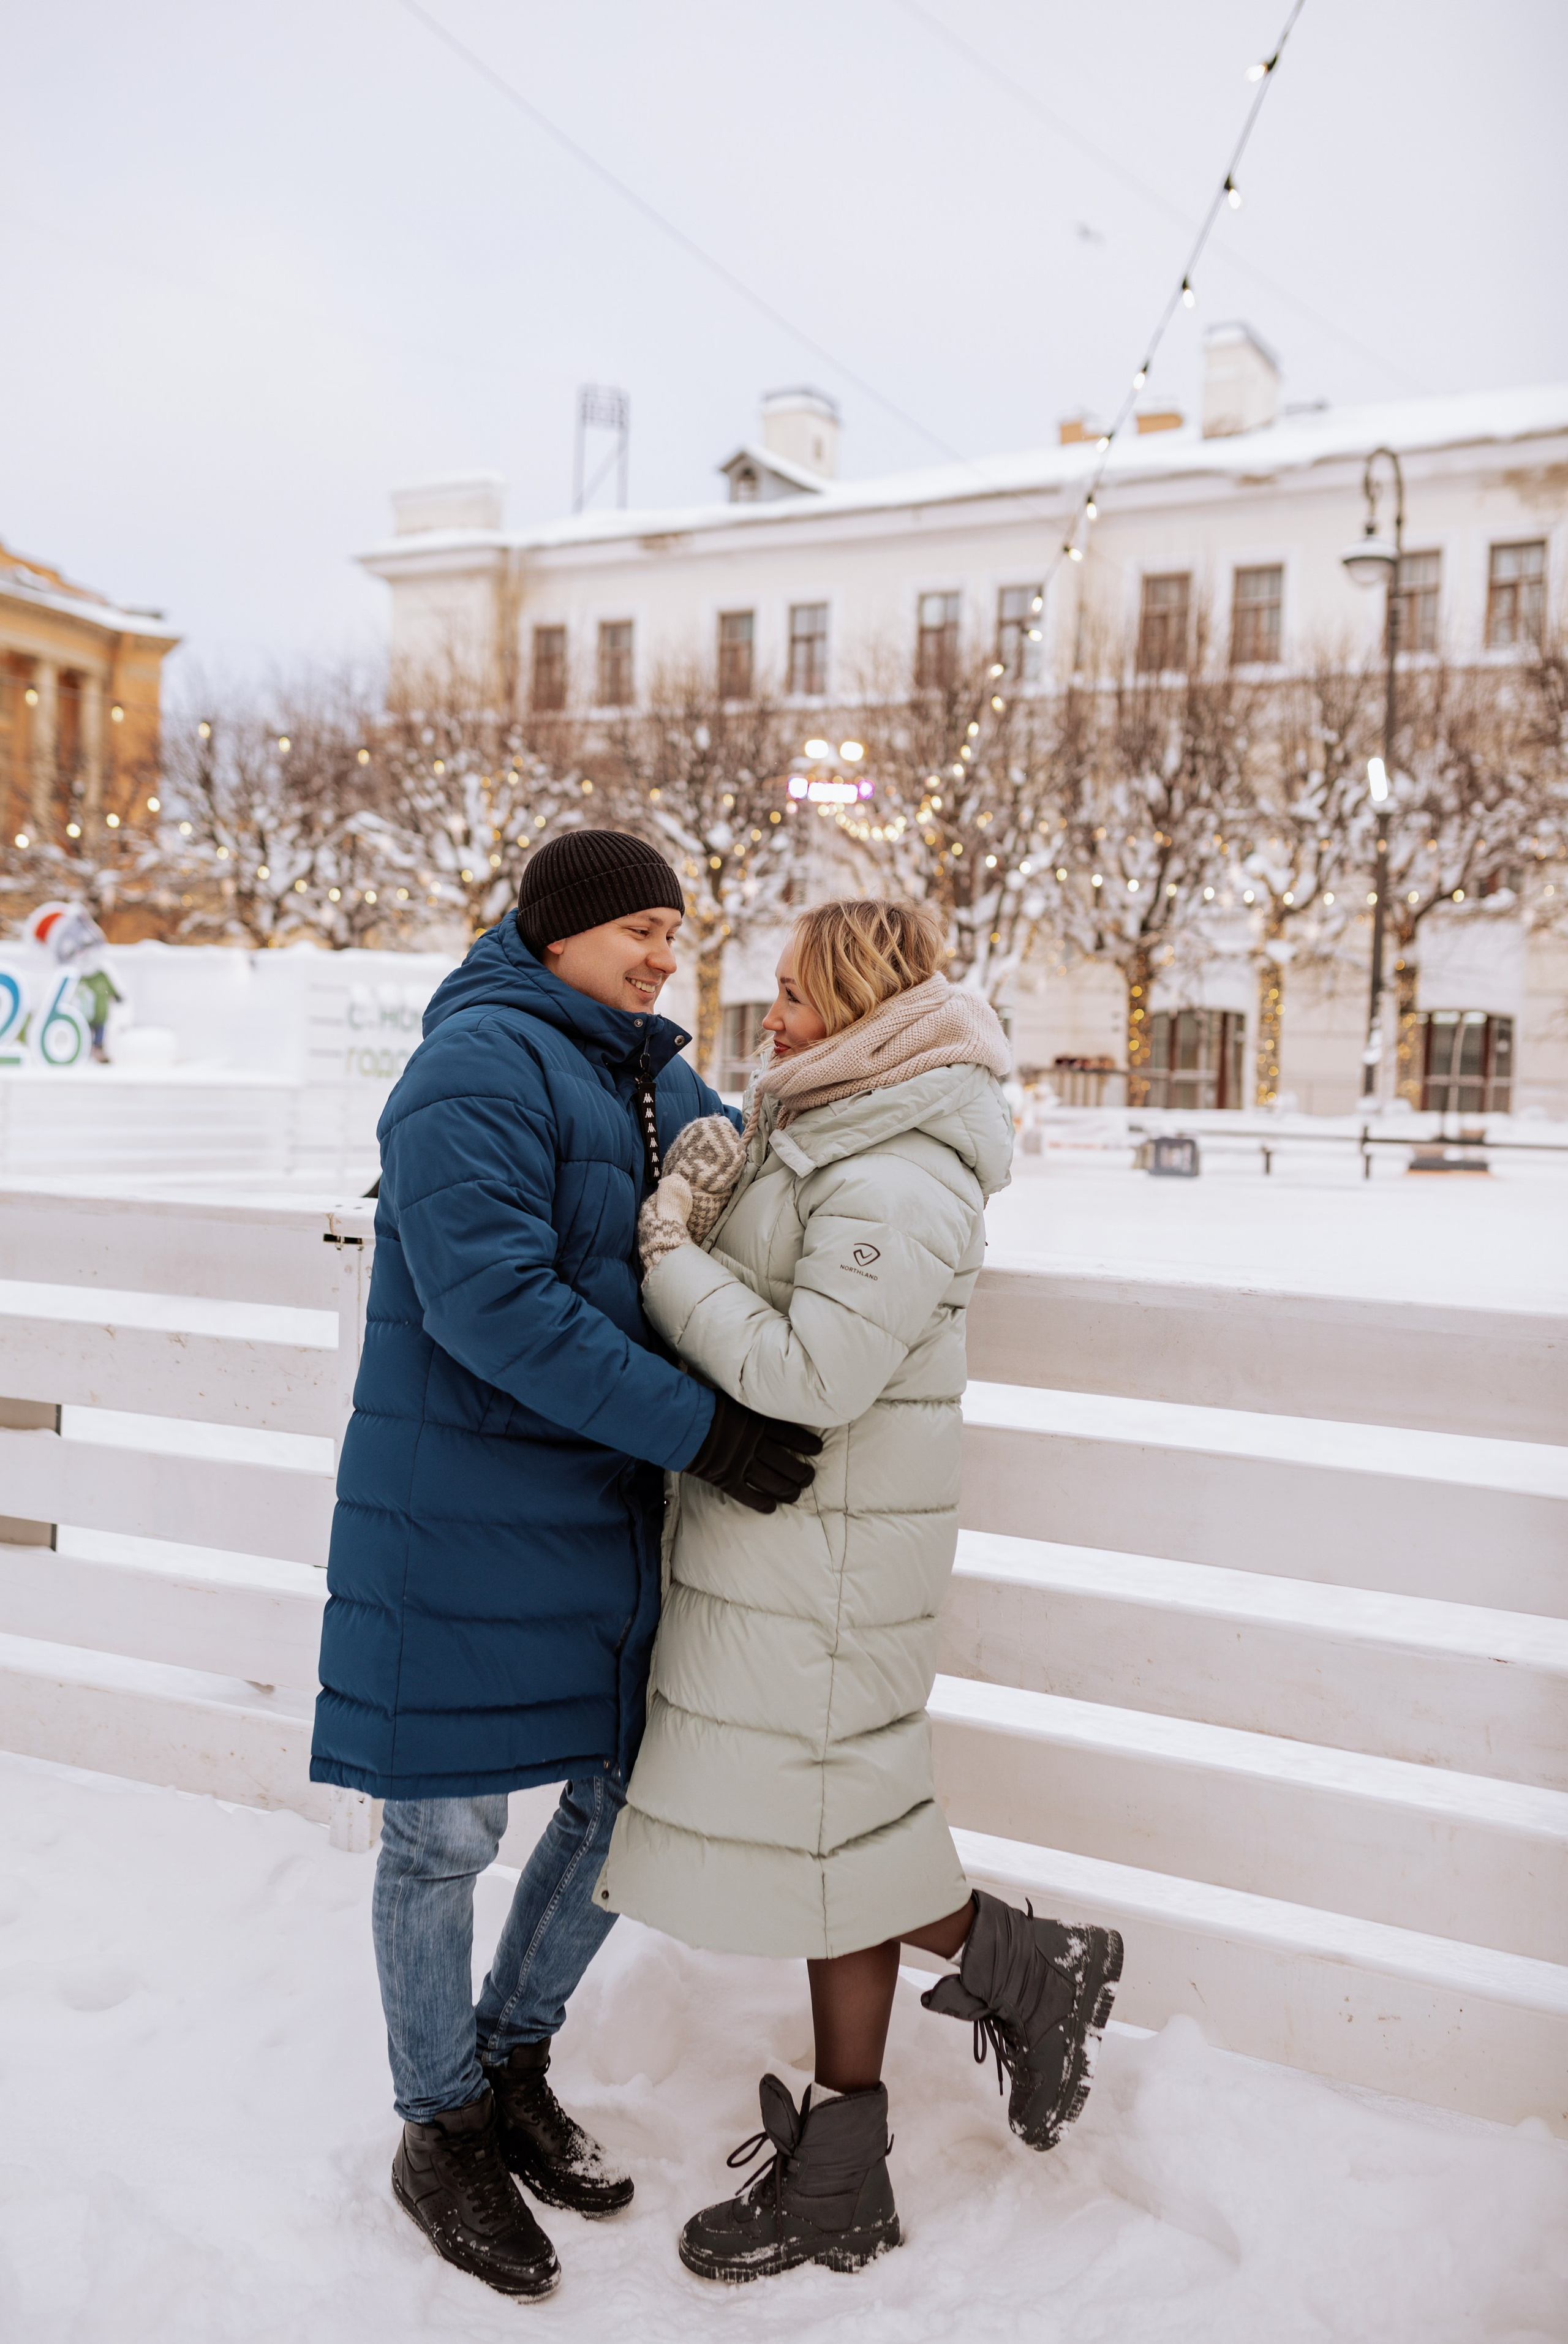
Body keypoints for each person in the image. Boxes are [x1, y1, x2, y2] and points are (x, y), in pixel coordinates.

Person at [310, 829, 821, 2302]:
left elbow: (774, 1172)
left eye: (677, 932)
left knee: (619, 1800)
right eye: (641, 930)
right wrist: (704, 1434)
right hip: (461, 1514)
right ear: (556, 931)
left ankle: (509, 2060)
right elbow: (497, 1308)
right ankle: (440, 2120)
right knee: (444, 1835)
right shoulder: (472, 1068)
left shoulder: (654, 1075)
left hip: (598, 1514)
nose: (667, 955)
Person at [596, 897, 1123, 2283]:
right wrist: (722, 1192)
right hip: (788, 1549)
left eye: (795, 995)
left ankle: (877, 2134)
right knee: (828, 1835)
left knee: (834, 1839)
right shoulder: (832, 1125)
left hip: (826, 1564)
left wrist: (669, 1257)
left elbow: (813, 1376)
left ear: (865, 1008)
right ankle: (1001, 1994)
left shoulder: (895, 1166)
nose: (768, 1017)